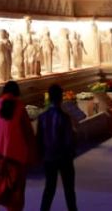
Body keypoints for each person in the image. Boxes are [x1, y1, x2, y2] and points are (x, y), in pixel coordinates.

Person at [0, 80, 34, 211]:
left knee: (0, 181)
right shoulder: (19, 107)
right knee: (16, 187)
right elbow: (27, 131)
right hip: (15, 153)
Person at [38, 83, 78, 211]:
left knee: (49, 187)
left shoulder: (42, 117)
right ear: (61, 98)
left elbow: (39, 138)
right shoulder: (64, 117)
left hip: (49, 157)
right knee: (69, 189)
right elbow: (68, 139)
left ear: (49, 98)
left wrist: (41, 154)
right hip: (64, 157)